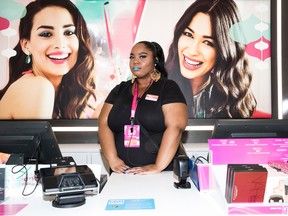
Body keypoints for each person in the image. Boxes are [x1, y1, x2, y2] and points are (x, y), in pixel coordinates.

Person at [98, 41, 187, 175]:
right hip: (122, 173)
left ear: (155, 60)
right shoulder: (120, 89)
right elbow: (103, 123)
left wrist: (157, 166)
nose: (136, 61)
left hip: (158, 174)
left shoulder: (168, 87)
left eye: (143, 56)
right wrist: (113, 159)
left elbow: (176, 126)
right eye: (132, 57)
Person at [0, 0, 99, 119]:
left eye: (68, 32)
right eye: (46, 34)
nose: (60, 44)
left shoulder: (65, 95)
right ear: (26, 45)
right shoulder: (36, 86)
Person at [166, 0, 264, 118]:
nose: (192, 51)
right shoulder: (155, 85)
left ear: (224, 51)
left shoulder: (232, 102)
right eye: (188, 34)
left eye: (207, 42)